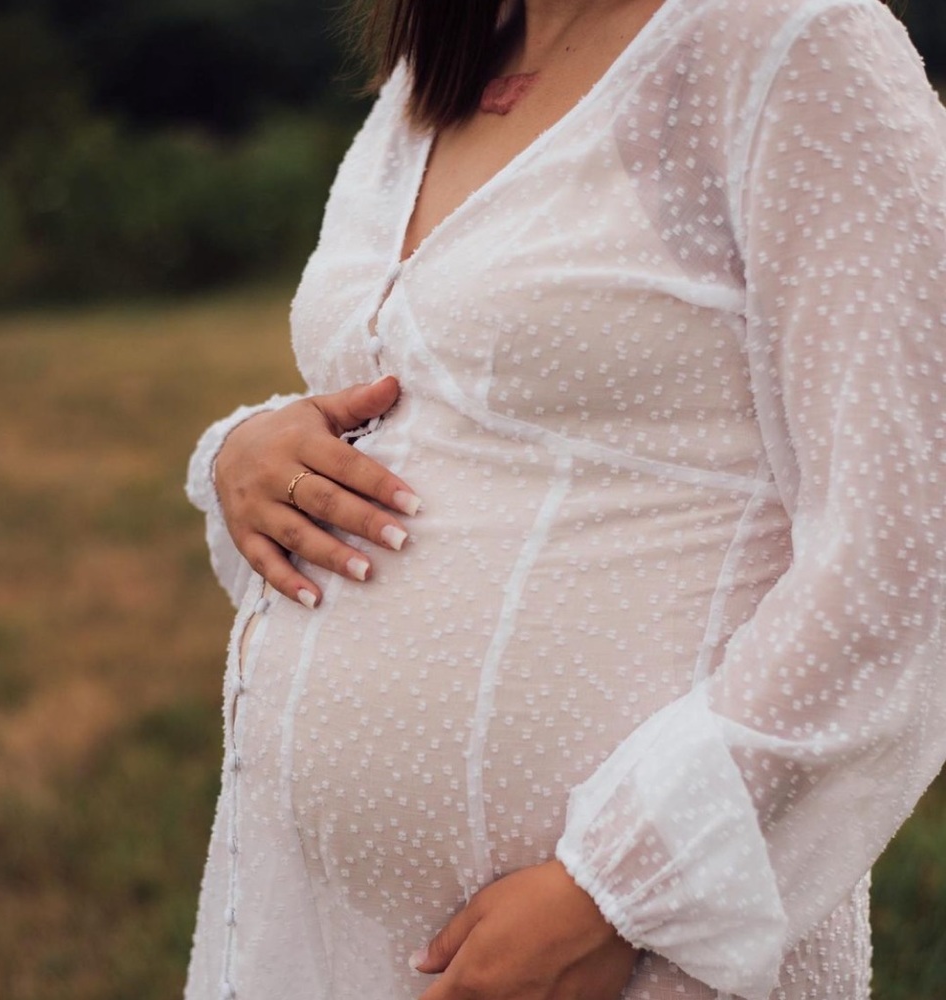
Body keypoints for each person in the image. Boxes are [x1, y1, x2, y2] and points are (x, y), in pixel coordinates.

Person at [183, 0, 946, 997]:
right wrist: (244, 453)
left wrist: (619, 889)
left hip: (622, 951)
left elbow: (908, 540)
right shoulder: (434, 74)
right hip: (331, 934)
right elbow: (427, 397)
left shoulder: (793, 39)